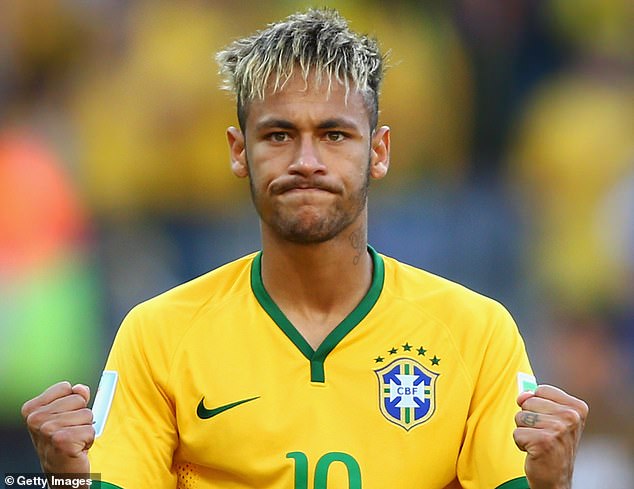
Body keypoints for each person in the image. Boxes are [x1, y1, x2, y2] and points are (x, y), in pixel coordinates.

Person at [22, 9, 588, 489]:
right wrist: (68, 477)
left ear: (380, 150)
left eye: (335, 134)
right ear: (239, 151)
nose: (307, 161)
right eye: (279, 135)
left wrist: (551, 484)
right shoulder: (158, 335)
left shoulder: (478, 334)